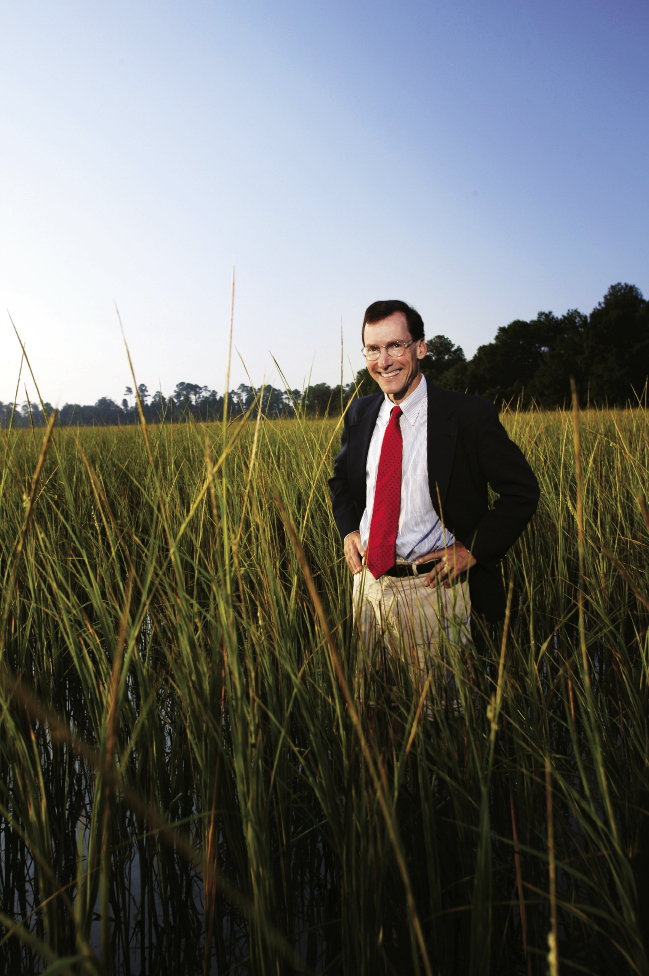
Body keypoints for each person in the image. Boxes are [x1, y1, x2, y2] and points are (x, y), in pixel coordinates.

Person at [329, 299, 539, 702]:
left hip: (434, 591)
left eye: (395, 346)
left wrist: (471, 550)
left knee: (444, 718)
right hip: (368, 588)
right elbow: (341, 481)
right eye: (373, 349)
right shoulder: (359, 413)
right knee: (372, 705)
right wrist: (349, 530)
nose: (384, 361)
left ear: (420, 348)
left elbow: (522, 492)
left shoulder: (468, 414)